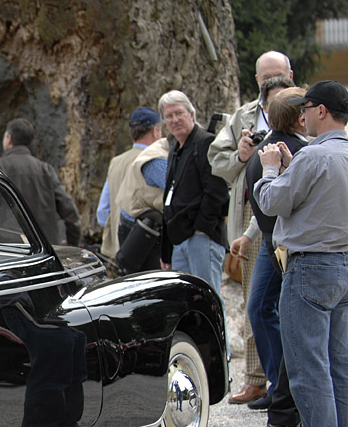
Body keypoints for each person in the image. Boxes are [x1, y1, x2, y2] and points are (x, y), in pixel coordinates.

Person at [254, 80, 348, 427]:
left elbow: (272, 201)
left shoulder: (313, 156)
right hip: (343, 262)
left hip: (310, 265)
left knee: (307, 362)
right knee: (339, 361)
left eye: (306, 109)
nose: (303, 117)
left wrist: (270, 170)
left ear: (320, 110)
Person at [209, 52, 294, 404]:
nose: (271, 81)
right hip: (251, 210)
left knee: (282, 301)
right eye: (265, 77)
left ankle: (286, 386)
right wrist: (242, 155)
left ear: (290, 74)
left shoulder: (304, 108)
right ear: (256, 79)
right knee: (253, 300)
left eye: (277, 74)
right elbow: (217, 161)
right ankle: (259, 378)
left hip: (289, 213)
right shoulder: (242, 116)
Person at [230, 80, 300, 425]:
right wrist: (247, 234)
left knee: (292, 317)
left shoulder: (299, 151)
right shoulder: (273, 149)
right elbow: (267, 200)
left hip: (290, 245)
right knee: (259, 308)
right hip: (273, 241)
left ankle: (286, 395)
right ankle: (279, 386)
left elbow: (281, 200)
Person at [158, 90, 228, 294]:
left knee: (208, 298)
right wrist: (167, 250)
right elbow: (169, 199)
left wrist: (201, 227)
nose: (175, 119)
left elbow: (217, 191)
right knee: (186, 301)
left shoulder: (205, 142)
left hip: (200, 237)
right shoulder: (175, 150)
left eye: (179, 113)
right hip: (180, 239)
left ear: (191, 114)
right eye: (169, 116)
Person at [0, 118, 81, 246]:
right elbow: (70, 212)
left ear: (9, 138)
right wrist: (72, 245)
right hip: (45, 250)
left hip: (9, 249)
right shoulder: (46, 169)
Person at [97, 107, 164, 264]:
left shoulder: (116, 161)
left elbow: (102, 210)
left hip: (119, 249)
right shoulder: (154, 161)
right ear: (155, 131)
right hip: (147, 247)